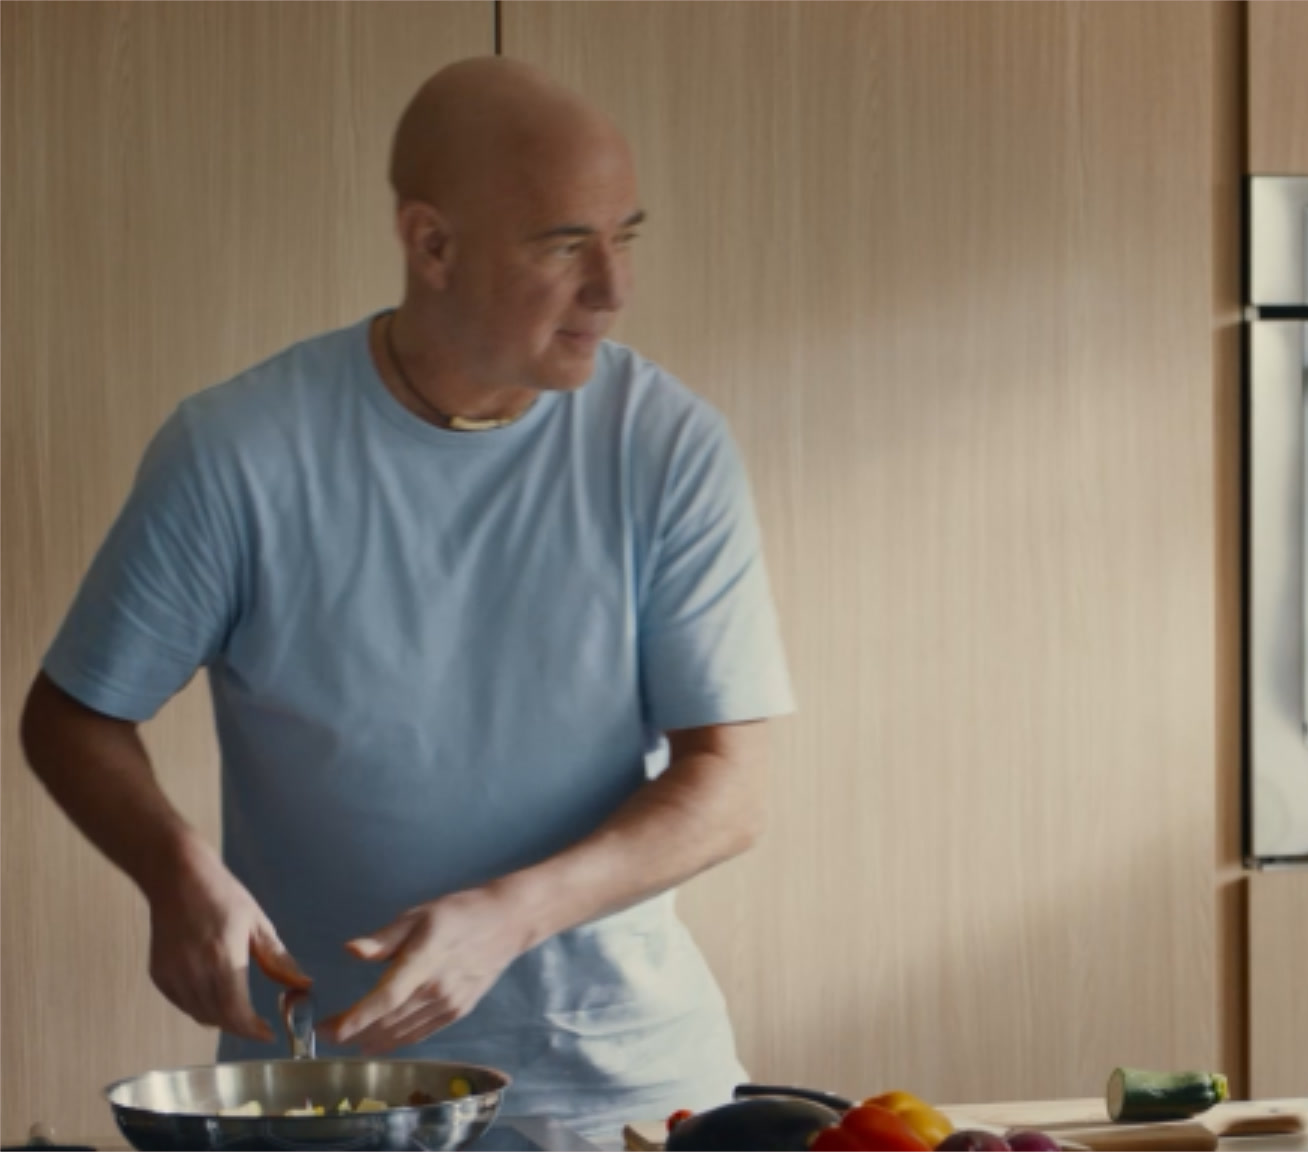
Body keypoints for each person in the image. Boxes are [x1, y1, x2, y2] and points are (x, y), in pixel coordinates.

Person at [17, 56, 792, 1144]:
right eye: (565, 243)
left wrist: (508, 918)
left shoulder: (668, 446)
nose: (613, 286)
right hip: (325, 1095)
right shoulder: (236, 452)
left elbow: (731, 788)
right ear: (432, 245)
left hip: (621, 1086)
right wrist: (175, 870)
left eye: (626, 236)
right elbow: (74, 716)